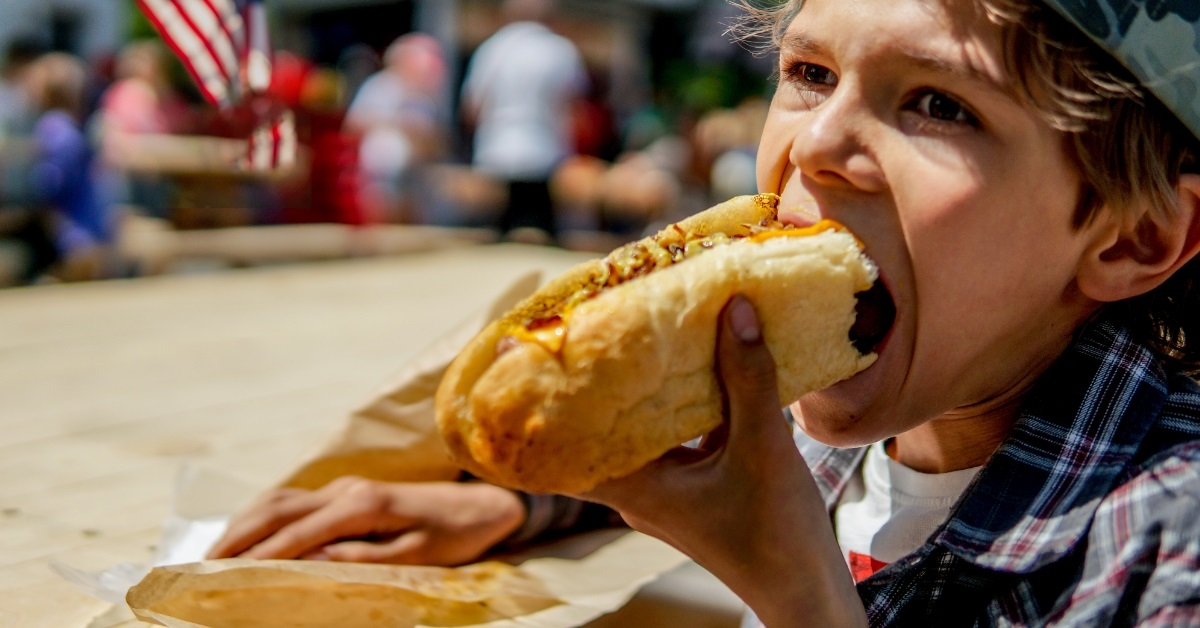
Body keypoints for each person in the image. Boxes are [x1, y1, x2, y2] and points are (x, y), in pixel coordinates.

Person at [211, 0, 1200, 624]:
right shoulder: (843, 390)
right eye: (810, 74)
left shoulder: (1165, 547)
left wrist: (801, 600)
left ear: (1130, 238)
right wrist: (522, 503)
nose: (815, 144)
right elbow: (728, 444)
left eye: (940, 105)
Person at [459, 0, 588, 241]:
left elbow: (472, 108)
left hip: (494, 153)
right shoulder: (560, 49)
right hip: (545, 153)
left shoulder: (491, 49)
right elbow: (574, 107)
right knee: (541, 240)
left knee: (496, 241)